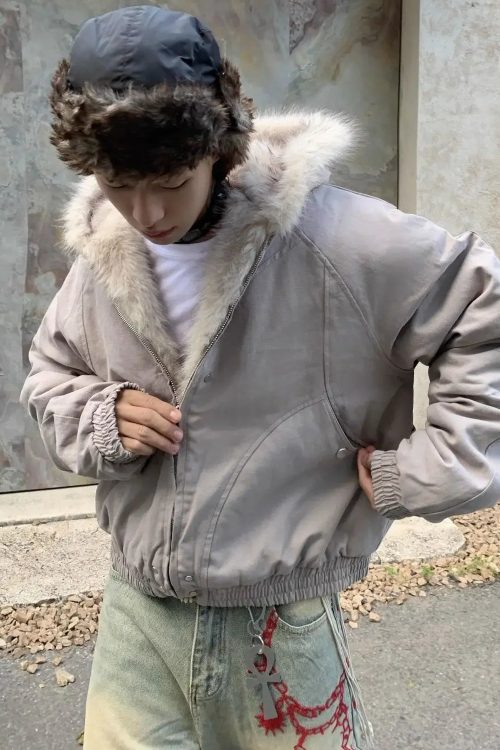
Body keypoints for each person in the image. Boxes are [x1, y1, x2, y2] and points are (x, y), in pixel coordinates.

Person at [20, 5, 500, 750]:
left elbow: (480, 304)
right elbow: (51, 372)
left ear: (217, 147)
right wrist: (98, 416)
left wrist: (439, 467)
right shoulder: (105, 254)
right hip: (135, 616)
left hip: (281, 623)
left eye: (170, 182)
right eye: (117, 184)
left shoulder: (335, 240)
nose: (145, 213)